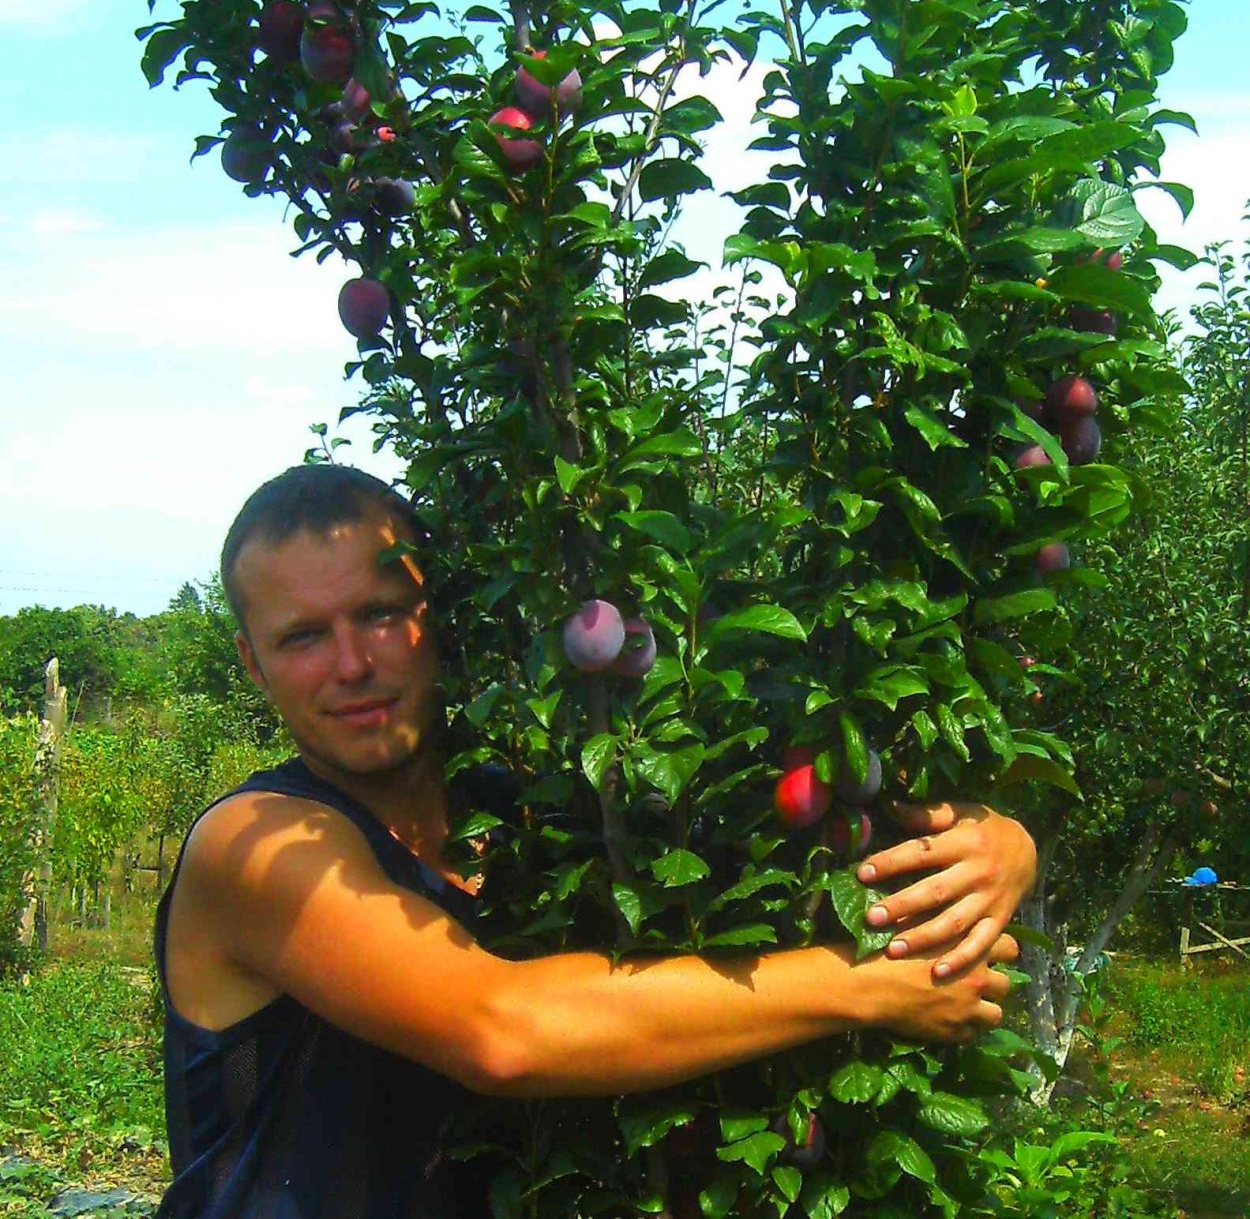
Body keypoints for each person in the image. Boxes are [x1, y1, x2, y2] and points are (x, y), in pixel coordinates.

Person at [154, 464, 1035, 1219]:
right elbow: (501, 1030)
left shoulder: (530, 809)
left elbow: (770, 837)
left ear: (439, 615)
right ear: (250, 661)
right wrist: (865, 986)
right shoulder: (258, 845)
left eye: (381, 614)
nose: (352, 664)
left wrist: (999, 838)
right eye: (303, 636)